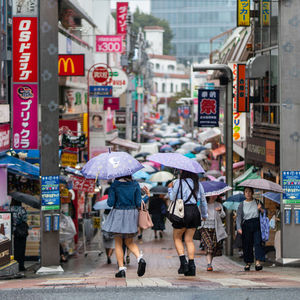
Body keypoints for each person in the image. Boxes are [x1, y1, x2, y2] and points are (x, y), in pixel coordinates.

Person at [102, 175, 147, 278]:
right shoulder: (135, 184)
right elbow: (138, 202)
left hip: (118, 214)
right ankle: (140, 258)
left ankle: (121, 269)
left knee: (118, 242)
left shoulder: (115, 185)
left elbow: (110, 203)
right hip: (131, 215)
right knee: (129, 242)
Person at [168, 170, 208, 276]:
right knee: (189, 240)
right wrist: (204, 215)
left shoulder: (178, 182)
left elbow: (172, 198)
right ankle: (192, 266)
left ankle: (183, 263)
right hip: (194, 211)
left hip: (181, 212)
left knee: (177, 238)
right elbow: (203, 201)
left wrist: (170, 188)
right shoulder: (197, 184)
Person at [236, 187, 266, 271]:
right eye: (246, 192)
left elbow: (265, 213)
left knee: (258, 242)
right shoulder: (242, 204)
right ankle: (248, 263)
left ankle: (258, 262)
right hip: (246, 224)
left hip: (256, 223)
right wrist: (239, 228)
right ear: (244, 193)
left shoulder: (258, 202)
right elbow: (238, 217)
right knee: (247, 244)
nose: (248, 193)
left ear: (252, 193)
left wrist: (260, 209)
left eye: (249, 192)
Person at [200, 195, 227, 271]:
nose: (213, 196)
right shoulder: (203, 204)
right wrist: (202, 217)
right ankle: (209, 264)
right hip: (205, 227)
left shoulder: (218, 204)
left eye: (214, 195)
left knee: (213, 246)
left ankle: (210, 264)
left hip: (215, 228)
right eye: (211, 195)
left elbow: (223, 215)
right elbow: (199, 215)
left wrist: (220, 211)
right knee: (209, 246)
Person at [11, 198, 28, 272]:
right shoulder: (22, 209)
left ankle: (15, 265)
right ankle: (21, 266)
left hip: (14, 231)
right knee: (22, 248)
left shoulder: (10, 209)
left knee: (15, 248)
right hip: (22, 231)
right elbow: (24, 219)